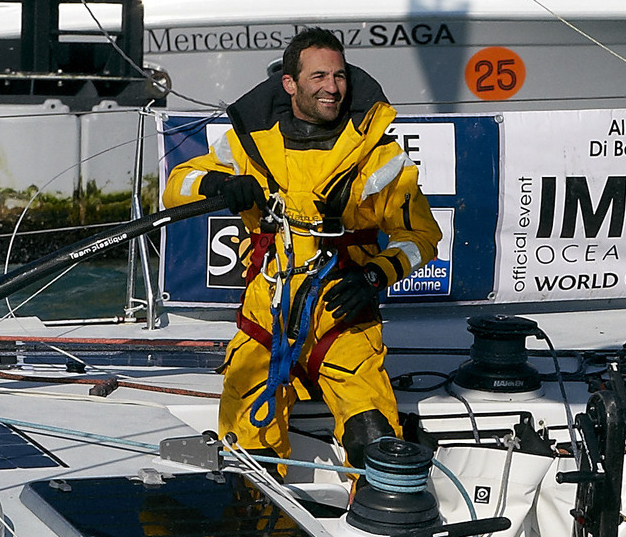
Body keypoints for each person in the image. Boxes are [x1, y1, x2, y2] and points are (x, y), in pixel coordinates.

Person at [163, 27, 439, 461]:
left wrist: (374, 275)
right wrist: (219, 182)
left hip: (344, 321)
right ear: (289, 84)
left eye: (340, 76)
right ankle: (259, 522)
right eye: (318, 77)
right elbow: (177, 186)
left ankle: (377, 522)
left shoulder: (380, 156)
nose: (332, 87)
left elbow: (421, 239)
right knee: (246, 444)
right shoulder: (247, 146)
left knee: (374, 438)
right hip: (265, 321)